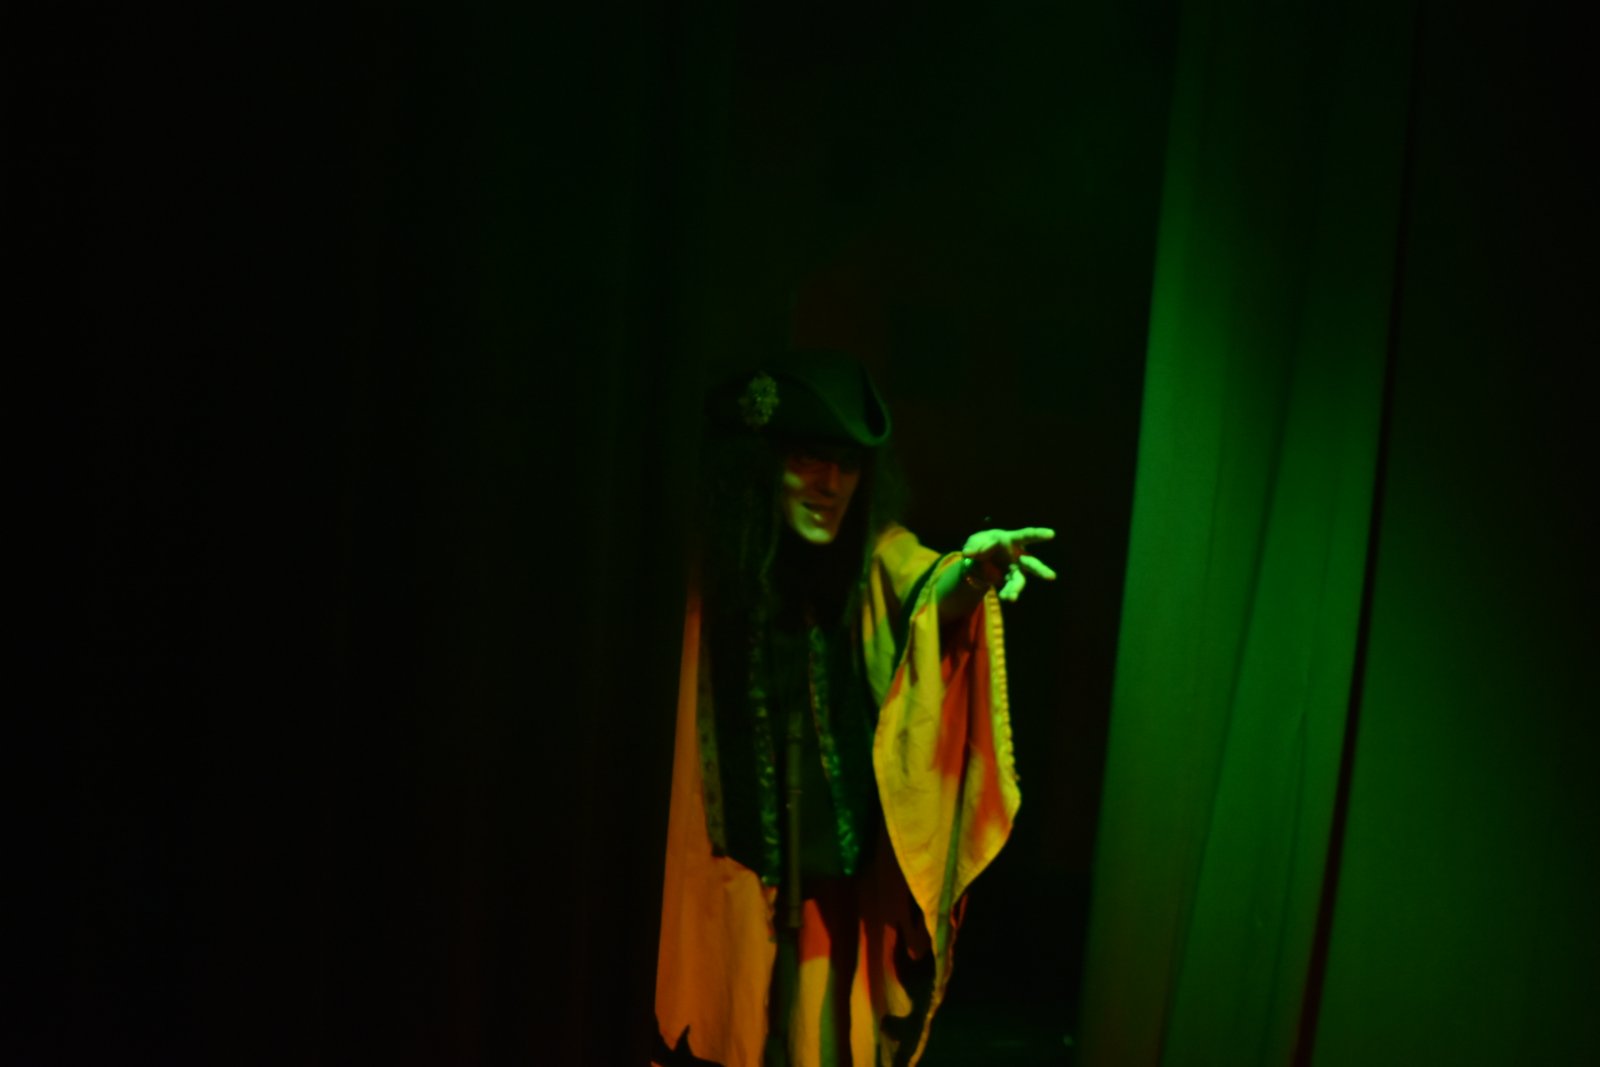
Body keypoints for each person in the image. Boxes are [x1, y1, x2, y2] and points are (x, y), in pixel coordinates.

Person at [654, 350, 1055, 1067]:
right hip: (723, 874)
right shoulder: (708, 566)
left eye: (846, 464)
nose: (830, 482)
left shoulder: (872, 553)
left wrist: (973, 572)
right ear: (762, 465)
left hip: (831, 893)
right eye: (809, 458)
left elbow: (925, 584)